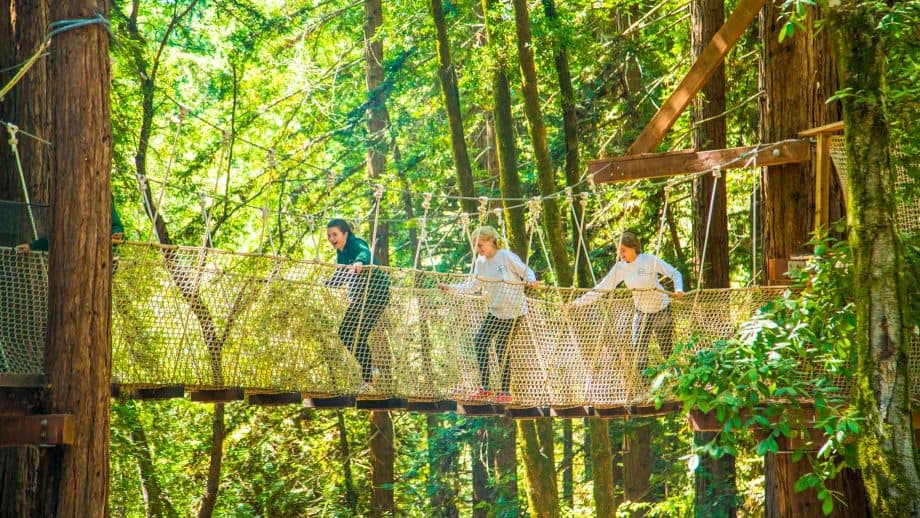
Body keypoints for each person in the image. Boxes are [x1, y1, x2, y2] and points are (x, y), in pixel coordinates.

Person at [438, 226, 538, 403]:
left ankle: (505, 392)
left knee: (501, 346)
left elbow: (526, 271)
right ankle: (485, 388)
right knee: (480, 341)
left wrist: (531, 280)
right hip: (496, 310)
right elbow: (473, 286)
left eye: (481, 245)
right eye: (476, 246)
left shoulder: (505, 256)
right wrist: (450, 288)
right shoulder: (480, 262)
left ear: (491, 241)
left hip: (514, 311)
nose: (478, 249)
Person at [569, 231, 683, 372]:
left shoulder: (648, 260)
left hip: (661, 310)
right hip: (641, 313)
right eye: (619, 251)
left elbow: (675, 273)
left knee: (666, 349)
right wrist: (577, 303)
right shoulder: (620, 268)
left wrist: (678, 289)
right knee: (639, 352)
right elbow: (601, 288)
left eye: (623, 250)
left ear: (633, 247)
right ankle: (645, 385)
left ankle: (676, 380)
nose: (621, 254)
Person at [325, 219, 390, 392]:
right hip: (361, 298)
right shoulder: (341, 252)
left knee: (357, 334)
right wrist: (326, 282)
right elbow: (341, 276)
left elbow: (364, 253)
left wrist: (359, 262)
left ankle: (369, 378)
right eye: (329, 236)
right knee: (346, 333)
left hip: (376, 295)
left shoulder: (355, 243)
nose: (332, 239)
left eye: (335, 235)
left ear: (345, 234)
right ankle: (370, 374)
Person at [16, 202, 124, 253]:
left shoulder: (103, 200)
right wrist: (32, 246)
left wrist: (116, 235)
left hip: (100, 260)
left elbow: (116, 227)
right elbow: (57, 236)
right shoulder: (68, 206)